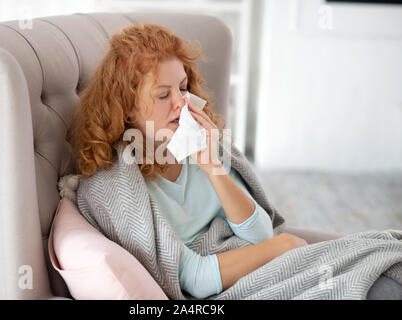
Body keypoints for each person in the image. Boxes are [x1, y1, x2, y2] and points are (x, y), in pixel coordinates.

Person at [68, 23, 401, 299]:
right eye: (162, 95)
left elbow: (261, 234)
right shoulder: (115, 187)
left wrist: (211, 166)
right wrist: (284, 246)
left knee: (387, 266)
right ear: (126, 106)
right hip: (231, 287)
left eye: (183, 88)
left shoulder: (201, 143)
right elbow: (192, 279)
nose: (180, 104)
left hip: (262, 262)